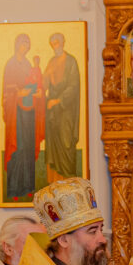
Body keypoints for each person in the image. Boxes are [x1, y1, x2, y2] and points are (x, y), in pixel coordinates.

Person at [1, 33, 44, 202]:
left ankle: (28, 187)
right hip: (16, 112)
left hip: (29, 111)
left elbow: (34, 83)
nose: (25, 46)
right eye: (23, 43)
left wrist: (38, 92)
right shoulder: (11, 64)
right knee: (18, 147)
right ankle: (14, 188)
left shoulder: (27, 64)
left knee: (28, 146)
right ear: (17, 44)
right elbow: (7, 90)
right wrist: (19, 93)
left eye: (27, 43)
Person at [42, 32, 83, 182]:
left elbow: (73, 86)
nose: (55, 46)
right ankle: (54, 183)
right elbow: (44, 85)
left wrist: (59, 101)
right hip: (53, 113)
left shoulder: (71, 61)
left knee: (66, 144)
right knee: (53, 147)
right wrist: (46, 76)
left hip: (66, 111)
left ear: (63, 42)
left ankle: (69, 183)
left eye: (57, 42)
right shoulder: (51, 62)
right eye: (53, 44)